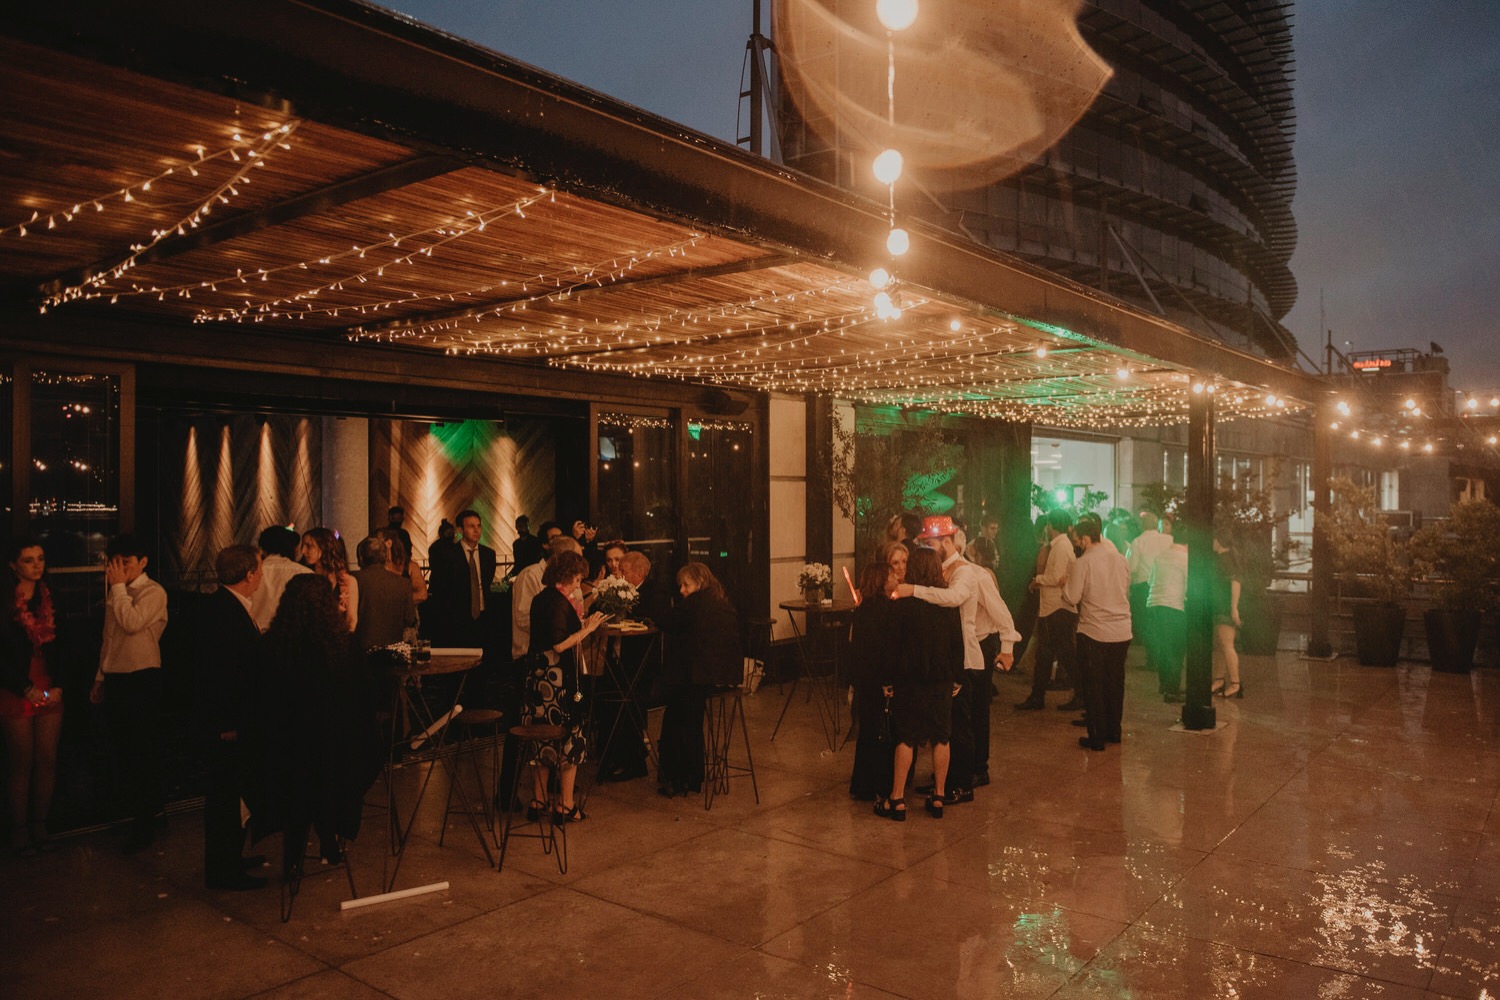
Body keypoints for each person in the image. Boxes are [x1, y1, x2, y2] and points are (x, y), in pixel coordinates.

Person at [262, 574, 382, 880]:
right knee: (327, 788)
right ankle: (330, 842)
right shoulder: (342, 646)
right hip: (333, 741)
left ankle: (293, 861)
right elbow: (363, 695)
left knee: (298, 795)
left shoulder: (274, 645)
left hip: (289, 743)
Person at [895, 515, 1016, 804]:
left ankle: (962, 784)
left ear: (946, 542)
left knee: (963, 724)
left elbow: (955, 599)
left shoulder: (969, 573)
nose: (925, 549)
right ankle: (946, 781)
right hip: (949, 657)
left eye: (929, 543)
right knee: (948, 726)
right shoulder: (938, 571)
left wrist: (1008, 647)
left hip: (968, 657)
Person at [194, 543, 268, 891]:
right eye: (260, 569)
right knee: (225, 795)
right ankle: (223, 870)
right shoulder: (225, 612)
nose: (262, 575)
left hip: (231, 718)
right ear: (249, 574)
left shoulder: (226, 605)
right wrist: (227, 723)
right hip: (227, 724)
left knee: (232, 791)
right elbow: (218, 673)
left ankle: (231, 858)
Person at [90, 533, 169, 852]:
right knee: (123, 749)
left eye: (127, 563)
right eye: (116, 563)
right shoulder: (118, 592)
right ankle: (142, 812)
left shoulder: (153, 591)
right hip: (117, 676)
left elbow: (132, 623)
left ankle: (146, 822)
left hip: (142, 677)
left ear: (143, 562)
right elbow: (109, 636)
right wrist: (100, 676)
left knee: (141, 751)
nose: (120, 569)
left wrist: (119, 589)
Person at [875, 547, 963, 821]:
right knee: (941, 737)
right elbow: (956, 643)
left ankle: (897, 799)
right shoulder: (947, 604)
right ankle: (938, 796)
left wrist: (887, 679)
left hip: (909, 680)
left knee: (906, 738)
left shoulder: (901, 603)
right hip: (941, 678)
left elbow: (891, 647)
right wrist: (957, 676)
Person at [524, 549, 608, 822]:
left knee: (541, 739)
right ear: (567, 576)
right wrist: (587, 629)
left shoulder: (540, 599)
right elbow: (560, 644)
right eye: (577, 579)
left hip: (538, 680)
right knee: (569, 739)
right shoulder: (560, 603)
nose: (577, 585)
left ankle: (538, 800)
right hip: (559, 682)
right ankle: (566, 805)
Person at [655, 562, 741, 799]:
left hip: (696, 677)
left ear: (700, 583)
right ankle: (693, 776)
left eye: (686, 585)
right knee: (690, 719)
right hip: (722, 676)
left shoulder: (694, 603)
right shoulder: (721, 600)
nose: (682, 591)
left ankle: (678, 777)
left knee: (676, 716)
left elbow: (666, 621)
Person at [1, 537, 63, 856]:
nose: (37, 565)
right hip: (15, 687)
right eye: (29, 560)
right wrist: (24, 687)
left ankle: (41, 824)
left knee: (47, 758)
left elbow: (66, 645)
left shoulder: (51, 596)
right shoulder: (5, 601)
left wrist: (60, 685)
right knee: (21, 761)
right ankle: (19, 829)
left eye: (40, 558)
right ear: (14, 565)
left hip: (49, 684)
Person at [1064, 517, 1133, 751]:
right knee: (1115, 683)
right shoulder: (1121, 559)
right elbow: (1125, 589)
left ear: (1085, 539)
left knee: (1093, 685)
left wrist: (1065, 586)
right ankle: (1114, 731)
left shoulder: (1083, 563)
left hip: (1093, 631)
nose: (1077, 545)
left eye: (1077, 541)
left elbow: (1072, 597)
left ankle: (1096, 737)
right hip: (1122, 630)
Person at [1015, 509, 1079, 711]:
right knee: (1047, 654)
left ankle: (1081, 693)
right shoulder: (1061, 545)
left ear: (1050, 525)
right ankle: (1038, 695)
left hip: (1056, 608)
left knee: (1062, 654)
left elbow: (1055, 577)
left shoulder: (1060, 547)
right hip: (1055, 608)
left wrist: (1037, 580)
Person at [848, 561, 898, 801]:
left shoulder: (861, 609)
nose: (896, 577)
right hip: (880, 679)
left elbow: (857, 648)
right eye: (891, 574)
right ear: (882, 580)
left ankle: (862, 783)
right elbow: (888, 649)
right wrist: (888, 680)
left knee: (867, 731)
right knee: (883, 732)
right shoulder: (888, 610)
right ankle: (881, 782)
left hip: (864, 679)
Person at [427, 509, 496, 647]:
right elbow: (443, 588)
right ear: (460, 529)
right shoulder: (448, 555)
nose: (476, 530)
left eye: (478, 526)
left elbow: (486, 583)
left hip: (484, 616)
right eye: (471, 526)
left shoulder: (488, 554)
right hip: (457, 619)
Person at [510, 529, 574, 660]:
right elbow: (523, 619)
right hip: (532, 655)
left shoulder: (568, 579)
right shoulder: (530, 575)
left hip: (561, 653)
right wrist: (558, 626)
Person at [1148, 522, 1189, 703]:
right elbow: (1189, 586)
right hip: (1173, 606)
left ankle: (1164, 684)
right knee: (1176, 650)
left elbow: (1150, 580)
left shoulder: (1161, 555)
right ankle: (1172, 689)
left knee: (1163, 647)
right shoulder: (1186, 559)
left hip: (1154, 604)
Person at [352, 536, 417, 649]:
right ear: (385, 557)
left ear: (360, 558)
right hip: (393, 650)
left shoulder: (352, 580)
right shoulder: (403, 583)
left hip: (360, 650)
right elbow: (409, 618)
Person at [1127, 511, 1173, 659]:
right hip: (1166, 583)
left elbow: (1132, 567)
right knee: (1163, 622)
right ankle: (1165, 655)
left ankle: (1153, 657)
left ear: (1141, 525)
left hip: (1144, 585)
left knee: (1146, 623)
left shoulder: (1138, 542)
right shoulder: (1169, 540)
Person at [250, 525, 311, 632]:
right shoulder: (305, 573)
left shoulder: (251, 573)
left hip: (255, 634)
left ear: (263, 548)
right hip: (293, 636)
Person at [301, 527, 358, 633]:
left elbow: (351, 620)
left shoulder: (347, 581)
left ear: (323, 547)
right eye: (302, 546)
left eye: (309, 546)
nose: (303, 551)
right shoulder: (305, 578)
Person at [1212, 533, 1244, 698]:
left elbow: (1235, 582)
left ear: (1218, 541)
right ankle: (1220, 680)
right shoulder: (1229, 558)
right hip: (1223, 605)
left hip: (1224, 606)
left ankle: (1235, 683)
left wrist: (1233, 607)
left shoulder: (1225, 560)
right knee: (1221, 645)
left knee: (1226, 644)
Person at [376, 527, 428, 609]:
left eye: (378, 542)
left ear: (389, 543)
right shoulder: (375, 567)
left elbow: (422, 594)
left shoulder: (410, 566)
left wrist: (396, 601)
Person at [508, 515, 542, 581]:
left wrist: (507, 578)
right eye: (519, 526)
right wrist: (507, 578)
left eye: (522, 526)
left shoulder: (536, 542)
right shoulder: (516, 544)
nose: (521, 528)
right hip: (526, 576)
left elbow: (518, 566)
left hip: (533, 576)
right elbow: (517, 565)